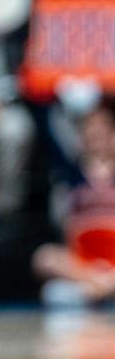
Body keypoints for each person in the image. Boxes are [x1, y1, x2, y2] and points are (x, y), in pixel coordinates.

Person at [33, 105, 115, 306]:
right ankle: (102, 287)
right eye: (90, 128)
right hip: (82, 265)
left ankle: (101, 287)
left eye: (102, 128)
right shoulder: (70, 175)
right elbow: (48, 127)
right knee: (44, 257)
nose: (95, 133)